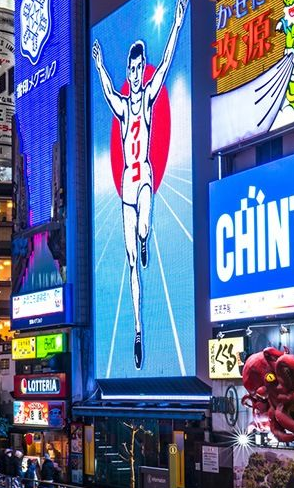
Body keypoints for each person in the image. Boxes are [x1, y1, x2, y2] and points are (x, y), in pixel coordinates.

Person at [90, 0, 186, 369]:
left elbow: (164, 65)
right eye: (129, 68)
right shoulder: (122, 102)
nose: (133, 73)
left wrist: (176, 25)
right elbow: (107, 93)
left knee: (144, 226)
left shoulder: (146, 98)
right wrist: (99, 65)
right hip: (125, 191)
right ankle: (139, 330)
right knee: (132, 263)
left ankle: (146, 236)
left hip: (143, 177)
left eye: (135, 68)